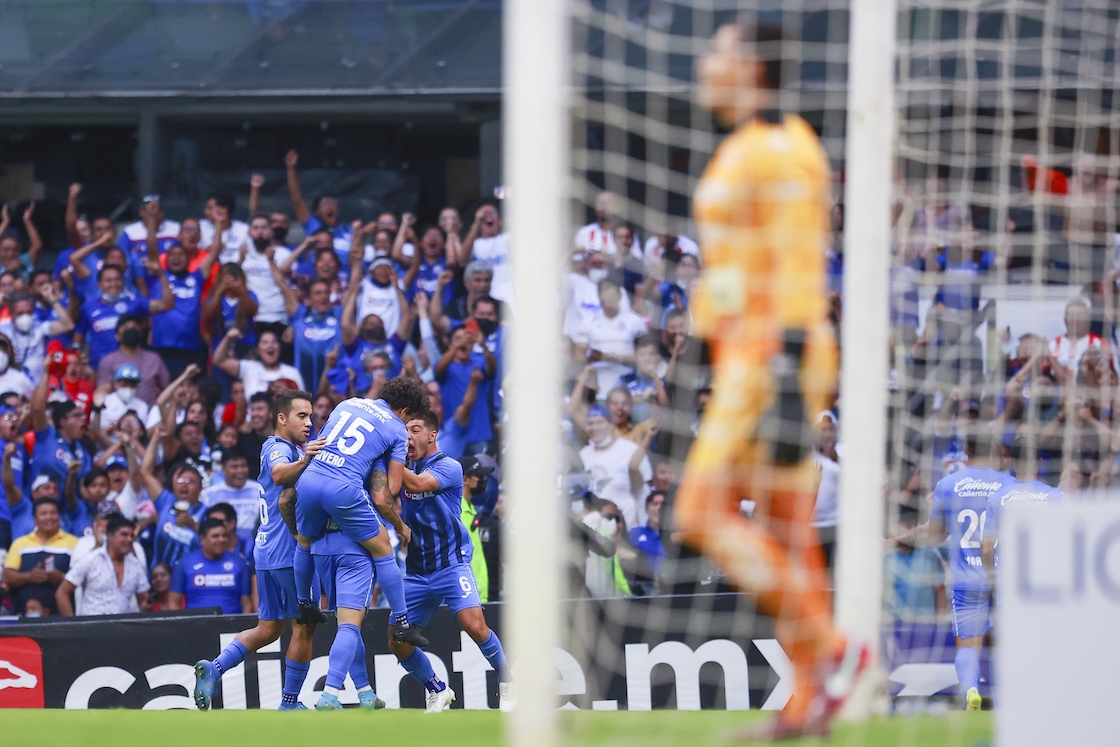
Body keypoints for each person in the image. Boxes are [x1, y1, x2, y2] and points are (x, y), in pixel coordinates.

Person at [672, 21, 864, 738]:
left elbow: (790, 268)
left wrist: (781, 365)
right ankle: (806, 703)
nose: (704, 61)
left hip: (772, 359)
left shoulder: (781, 148)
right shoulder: (746, 145)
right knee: (788, 534)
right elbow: (733, 269)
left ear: (750, 65)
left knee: (698, 513)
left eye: (716, 49)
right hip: (744, 354)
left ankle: (838, 648)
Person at [194, 391, 382, 712]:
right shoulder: (278, 447)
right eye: (301, 416)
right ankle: (289, 703)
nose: (309, 423)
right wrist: (308, 460)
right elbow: (281, 476)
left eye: (311, 416)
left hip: (265, 552)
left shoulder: (290, 449)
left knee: (268, 629)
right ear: (282, 418)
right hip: (289, 554)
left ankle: (215, 668)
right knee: (305, 625)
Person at [292, 378, 430, 710]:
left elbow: (323, 444)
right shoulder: (396, 430)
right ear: (405, 410)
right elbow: (390, 491)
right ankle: (402, 621)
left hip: (310, 480)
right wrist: (381, 463)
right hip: (344, 489)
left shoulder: (347, 403)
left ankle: (304, 603)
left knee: (304, 540)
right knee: (384, 546)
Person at [387, 412, 514, 713]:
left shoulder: (449, 466)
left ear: (432, 435)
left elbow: (417, 485)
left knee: (474, 625)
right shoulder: (404, 468)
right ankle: (437, 689)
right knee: (396, 640)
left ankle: (508, 682)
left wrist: (389, 460)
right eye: (404, 430)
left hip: (451, 564)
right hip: (417, 569)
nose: (408, 436)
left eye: (415, 429)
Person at [902, 430, 1013, 712]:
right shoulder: (1010, 485)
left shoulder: (948, 485)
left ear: (965, 451)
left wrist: (899, 539)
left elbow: (936, 535)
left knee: (968, 645)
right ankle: (1003, 701)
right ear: (996, 451)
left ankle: (971, 691)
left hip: (966, 579)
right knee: (1004, 645)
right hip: (1003, 579)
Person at [56, 515, 148, 617]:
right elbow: (62, 593)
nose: (129, 539)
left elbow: (143, 599)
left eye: (132, 536)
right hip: (91, 628)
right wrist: (72, 627)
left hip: (123, 630)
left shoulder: (135, 565)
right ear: (110, 536)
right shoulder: (91, 559)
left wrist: (146, 605)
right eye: (124, 535)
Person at [579, 405, 651, 528]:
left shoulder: (631, 451)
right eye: (590, 423)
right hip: (593, 530)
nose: (594, 427)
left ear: (611, 425)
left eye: (600, 422)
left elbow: (644, 490)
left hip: (625, 528)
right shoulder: (583, 454)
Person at [3, 498, 78, 614]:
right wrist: (28, 576)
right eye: (44, 513)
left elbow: (83, 579)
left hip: (61, 615)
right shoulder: (20, 543)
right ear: (35, 519)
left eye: (53, 513)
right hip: (24, 615)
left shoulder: (75, 543)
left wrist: (62, 578)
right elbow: (7, 576)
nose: (49, 517)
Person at [167, 518, 251, 614]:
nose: (221, 539)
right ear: (202, 539)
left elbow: (247, 605)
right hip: (195, 626)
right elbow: (173, 603)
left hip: (232, 626)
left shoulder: (239, 563)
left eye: (224, 535)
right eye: (215, 536)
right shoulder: (185, 563)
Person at [95, 315, 170, 407]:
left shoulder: (154, 359)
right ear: (117, 336)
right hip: (118, 415)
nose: (131, 330)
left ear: (140, 333)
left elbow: (167, 387)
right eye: (126, 328)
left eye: (134, 328)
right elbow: (103, 391)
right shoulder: (107, 361)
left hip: (150, 415)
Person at [213, 327, 305, 398]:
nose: (270, 346)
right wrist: (228, 338)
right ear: (258, 350)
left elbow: (304, 404)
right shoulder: (248, 368)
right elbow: (218, 360)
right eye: (265, 342)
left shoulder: (292, 372)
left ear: (279, 347)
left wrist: (288, 396)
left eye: (274, 342)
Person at [199, 450, 261, 548]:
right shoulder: (209, 494)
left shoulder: (259, 490)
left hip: (252, 548)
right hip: (220, 547)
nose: (240, 471)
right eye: (234, 467)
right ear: (223, 469)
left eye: (243, 466)